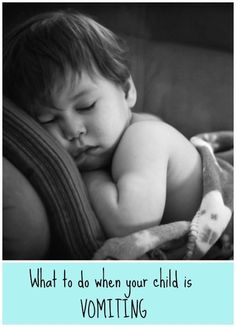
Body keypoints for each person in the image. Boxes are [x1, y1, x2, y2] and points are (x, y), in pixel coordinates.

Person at [4, 10, 203, 239]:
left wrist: (89, 179)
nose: (72, 130)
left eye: (86, 106)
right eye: (47, 120)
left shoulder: (145, 137)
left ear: (127, 91)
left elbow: (128, 224)